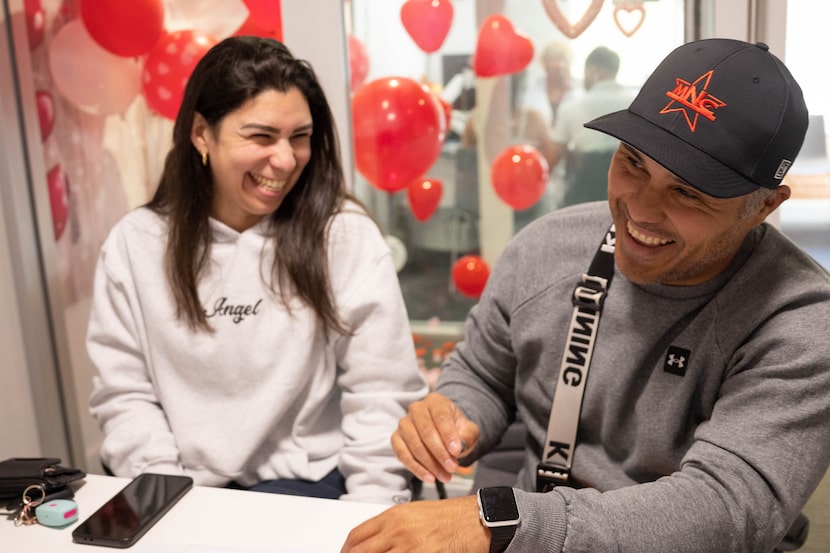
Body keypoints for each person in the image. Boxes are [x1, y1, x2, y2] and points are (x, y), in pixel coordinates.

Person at [341, 38, 830, 552]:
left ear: (763, 207)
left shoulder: (801, 321)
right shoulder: (547, 248)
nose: (639, 210)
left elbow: (726, 509)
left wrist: (505, 523)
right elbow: (484, 372)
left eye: (687, 192)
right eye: (634, 163)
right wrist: (454, 418)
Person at [85, 36, 428, 504]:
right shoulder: (137, 243)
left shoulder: (343, 236)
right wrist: (166, 501)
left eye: (299, 138)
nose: (285, 160)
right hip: (179, 490)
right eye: (261, 137)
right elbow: (124, 395)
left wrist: (368, 514)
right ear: (201, 133)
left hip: (314, 486)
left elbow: (381, 394)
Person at [550, 46, 638, 207]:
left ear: (593, 70)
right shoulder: (637, 104)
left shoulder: (571, 107)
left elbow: (552, 158)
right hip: (630, 194)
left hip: (586, 195)